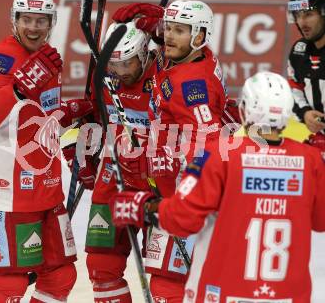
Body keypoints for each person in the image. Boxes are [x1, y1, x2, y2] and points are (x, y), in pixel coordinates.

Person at [109, 71, 325, 302]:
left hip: (224, 292)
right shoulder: (310, 159)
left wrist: (142, 205)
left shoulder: (218, 154)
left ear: (245, 109)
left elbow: (181, 220)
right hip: (289, 296)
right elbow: (320, 221)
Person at [0, 0, 92, 303]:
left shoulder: (47, 59)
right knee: (11, 282)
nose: (33, 27)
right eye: (26, 19)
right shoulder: (4, 58)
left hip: (44, 186)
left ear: (51, 23)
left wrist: (72, 112)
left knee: (61, 274)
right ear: (14, 20)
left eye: (41, 20)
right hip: (7, 190)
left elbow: (37, 118)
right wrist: (21, 86)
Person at [113, 0, 229, 302]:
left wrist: (185, 191)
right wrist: (156, 30)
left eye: (179, 30)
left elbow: (208, 143)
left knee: (167, 286)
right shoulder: (190, 58)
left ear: (200, 36)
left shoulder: (193, 86)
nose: (169, 37)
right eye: (169, 29)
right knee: (171, 280)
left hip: (183, 195)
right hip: (174, 190)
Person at [73, 21, 159, 303]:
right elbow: (97, 118)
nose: (120, 73)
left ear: (145, 53)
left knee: (163, 275)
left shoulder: (165, 76)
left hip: (156, 181)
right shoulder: (105, 77)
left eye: (127, 64)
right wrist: (86, 149)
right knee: (101, 266)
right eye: (114, 65)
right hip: (113, 176)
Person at [286, 0, 325, 157]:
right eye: (298, 15)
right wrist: (305, 113)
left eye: (308, 14)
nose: (302, 22)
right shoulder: (299, 50)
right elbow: (294, 87)